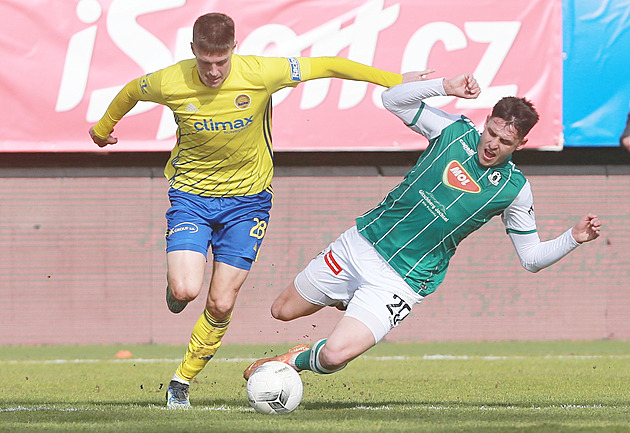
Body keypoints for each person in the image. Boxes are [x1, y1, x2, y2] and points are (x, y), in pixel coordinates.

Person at [89, 12, 427, 409]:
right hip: (191, 197)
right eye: (205, 61)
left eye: (221, 61)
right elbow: (131, 90)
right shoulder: (170, 80)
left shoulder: (261, 72)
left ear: (234, 48)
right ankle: (177, 288)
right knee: (185, 290)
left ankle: (182, 380)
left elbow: (330, 65)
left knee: (220, 303)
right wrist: (102, 127)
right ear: (192, 50)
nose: (213, 71)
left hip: (248, 203)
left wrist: (394, 80)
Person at [243, 73, 602, 381]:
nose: (492, 144)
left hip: (402, 280)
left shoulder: (514, 189)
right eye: (491, 132)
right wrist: (444, 85)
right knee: (282, 311)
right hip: (362, 244)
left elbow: (531, 258)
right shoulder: (452, 132)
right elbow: (392, 99)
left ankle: (294, 360)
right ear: (486, 121)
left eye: (505, 141)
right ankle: (346, 297)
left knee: (334, 356)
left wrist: (574, 238)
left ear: (521, 144)